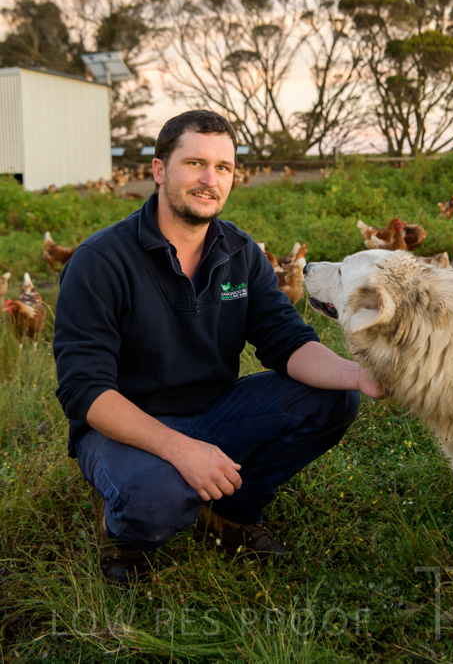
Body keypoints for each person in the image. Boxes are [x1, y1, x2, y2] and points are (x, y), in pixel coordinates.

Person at [54, 110, 383, 583]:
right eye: (195, 163)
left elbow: (288, 342)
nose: (210, 180)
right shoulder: (100, 261)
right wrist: (182, 450)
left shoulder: (240, 253)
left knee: (335, 397)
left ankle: (230, 514)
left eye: (223, 167)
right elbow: (85, 391)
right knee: (161, 499)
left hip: (215, 410)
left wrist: (359, 374)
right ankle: (121, 529)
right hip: (126, 426)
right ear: (159, 170)